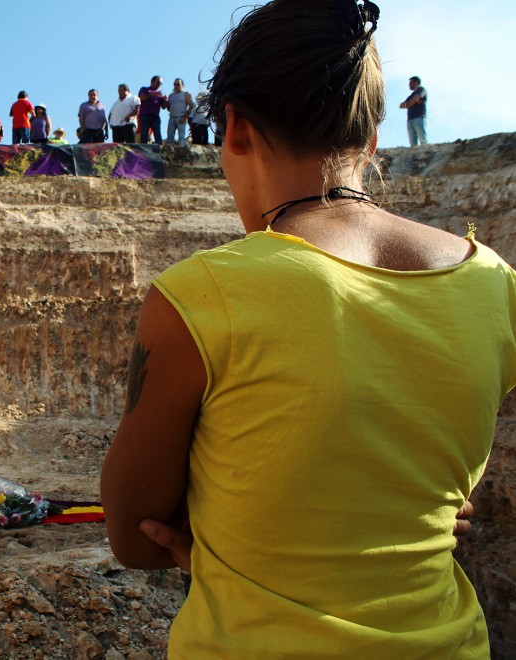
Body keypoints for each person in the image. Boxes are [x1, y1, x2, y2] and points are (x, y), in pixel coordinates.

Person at [100, 1, 515, 658]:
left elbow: (134, 534)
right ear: (372, 138)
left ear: (235, 128)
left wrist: (220, 533)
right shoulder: (494, 282)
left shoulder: (199, 296)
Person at [400, 75, 428, 146]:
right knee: (413, 144)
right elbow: (401, 105)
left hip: (419, 118)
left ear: (416, 82)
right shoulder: (410, 96)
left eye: (411, 82)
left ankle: (425, 154)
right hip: (410, 120)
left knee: (423, 140)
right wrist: (413, 102)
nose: (409, 84)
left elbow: (416, 98)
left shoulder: (421, 90)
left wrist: (409, 104)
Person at [138, 75, 166, 144]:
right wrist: (152, 94)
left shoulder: (159, 94)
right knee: (144, 133)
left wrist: (165, 100)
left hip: (155, 117)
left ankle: (159, 149)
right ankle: (143, 150)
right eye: (158, 82)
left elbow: (164, 107)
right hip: (144, 115)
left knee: (157, 134)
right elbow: (141, 98)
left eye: (161, 83)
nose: (159, 85)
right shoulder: (144, 89)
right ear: (152, 81)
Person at [166, 78, 194, 148]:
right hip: (172, 117)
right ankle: (170, 152)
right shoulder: (171, 95)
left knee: (181, 137)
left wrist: (185, 117)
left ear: (182, 85)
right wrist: (166, 102)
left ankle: (182, 151)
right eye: (174, 84)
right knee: (170, 136)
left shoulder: (186, 94)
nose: (176, 86)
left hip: (181, 117)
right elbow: (169, 108)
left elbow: (191, 107)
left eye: (178, 84)